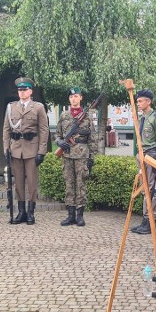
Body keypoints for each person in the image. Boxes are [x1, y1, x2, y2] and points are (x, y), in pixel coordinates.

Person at [3, 77, 49, 225]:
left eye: (24, 90)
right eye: (20, 90)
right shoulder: (11, 107)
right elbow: (6, 129)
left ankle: (31, 212)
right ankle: (21, 212)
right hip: (16, 149)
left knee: (32, 183)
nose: (22, 92)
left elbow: (44, 130)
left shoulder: (38, 107)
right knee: (18, 183)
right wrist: (6, 148)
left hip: (32, 149)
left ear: (30, 91)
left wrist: (42, 151)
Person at [56, 87, 98, 227]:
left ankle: (80, 216)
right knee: (69, 185)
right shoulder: (64, 116)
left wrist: (91, 157)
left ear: (81, 98)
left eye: (76, 96)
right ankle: (70, 215)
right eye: (71, 97)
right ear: (69, 99)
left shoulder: (87, 117)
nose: (74, 99)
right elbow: (58, 134)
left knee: (81, 185)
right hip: (67, 155)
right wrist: (60, 142)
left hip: (82, 155)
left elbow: (93, 138)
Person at [130, 88, 156, 235]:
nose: (138, 103)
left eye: (140, 101)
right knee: (144, 188)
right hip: (142, 155)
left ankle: (151, 221)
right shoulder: (141, 118)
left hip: (151, 154)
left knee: (151, 189)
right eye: (137, 101)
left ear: (148, 102)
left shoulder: (155, 118)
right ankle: (145, 220)